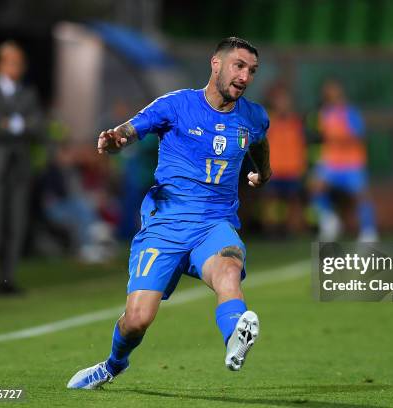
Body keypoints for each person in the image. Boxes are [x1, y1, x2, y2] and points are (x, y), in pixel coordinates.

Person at [67, 37, 271, 389]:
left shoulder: (253, 116)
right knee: (137, 320)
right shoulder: (176, 105)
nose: (245, 76)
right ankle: (113, 365)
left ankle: (234, 339)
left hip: (214, 225)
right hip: (165, 226)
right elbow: (131, 130)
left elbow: (260, 142)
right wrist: (115, 139)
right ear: (216, 64)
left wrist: (262, 172)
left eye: (252, 71)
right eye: (239, 66)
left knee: (228, 270)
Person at [0, 40, 44, 296]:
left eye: (20, 62)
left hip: (19, 167)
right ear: (0, 64)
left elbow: (38, 127)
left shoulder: (28, 94)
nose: (17, 67)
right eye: (12, 62)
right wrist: (20, 125)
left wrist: (11, 124)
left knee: (16, 225)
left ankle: (7, 280)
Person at [310, 78, 377, 242]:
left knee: (362, 194)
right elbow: (319, 137)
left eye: (334, 90)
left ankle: (369, 231)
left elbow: (359, 136)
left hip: (351, 162)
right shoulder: (322, 113)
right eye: (328, 91)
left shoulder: (350, 113)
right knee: (315, 186)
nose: (331, 94)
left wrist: (342, 137)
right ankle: (329, 220)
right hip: (331, 162)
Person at [261, 84, 307, 236]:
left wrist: (302, 166)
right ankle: (271, 231)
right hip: (273, 169)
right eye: (279, 100)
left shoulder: (297, 122)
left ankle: (292, 231)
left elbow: (302, 145)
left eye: (285, 100)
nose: (282, 103)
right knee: (271, 200)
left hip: (293, 169)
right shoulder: (267, 121)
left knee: (293, 201)